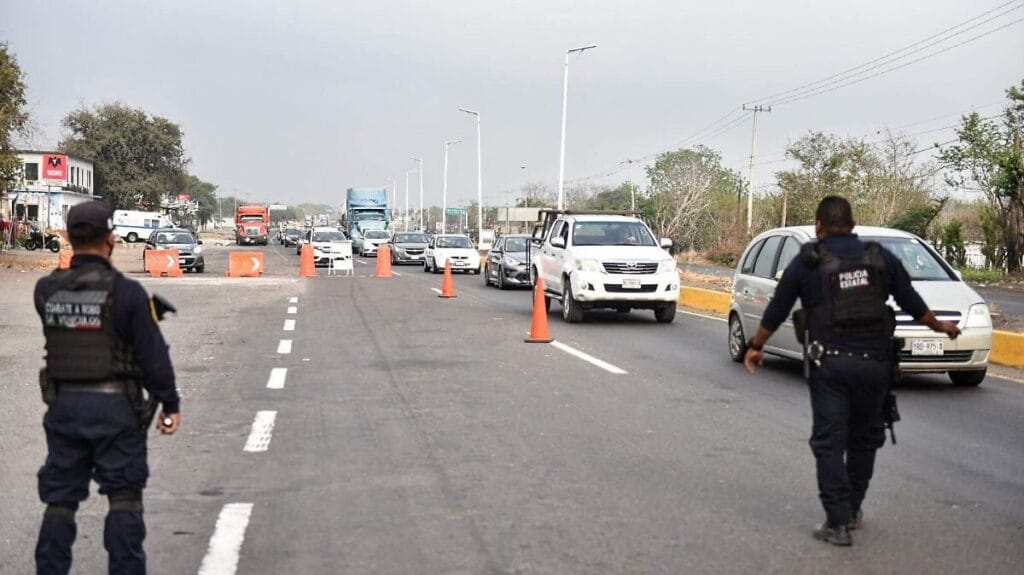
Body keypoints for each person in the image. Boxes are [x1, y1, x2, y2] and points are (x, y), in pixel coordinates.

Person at [743, 196, 960, 546]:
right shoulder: (879, 258)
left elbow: (778, 307)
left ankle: (838, 522)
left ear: (818, 226)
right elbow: (910, 301)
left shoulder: (808, 261)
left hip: (829, 365)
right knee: (864, 439)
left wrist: (756, 346)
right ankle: (853, 509)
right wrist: (942, 327)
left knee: (829, 441)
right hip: (876, 365)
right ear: (853, 224)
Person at [33, 201, 181, 574]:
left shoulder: (45, 291)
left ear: (67, 237)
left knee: (60, 502)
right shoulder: (128, 294)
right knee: (124, 499)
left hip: (64, 408)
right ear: (110, 239)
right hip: (116, 412)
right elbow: (153, 357)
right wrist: (170, 404)